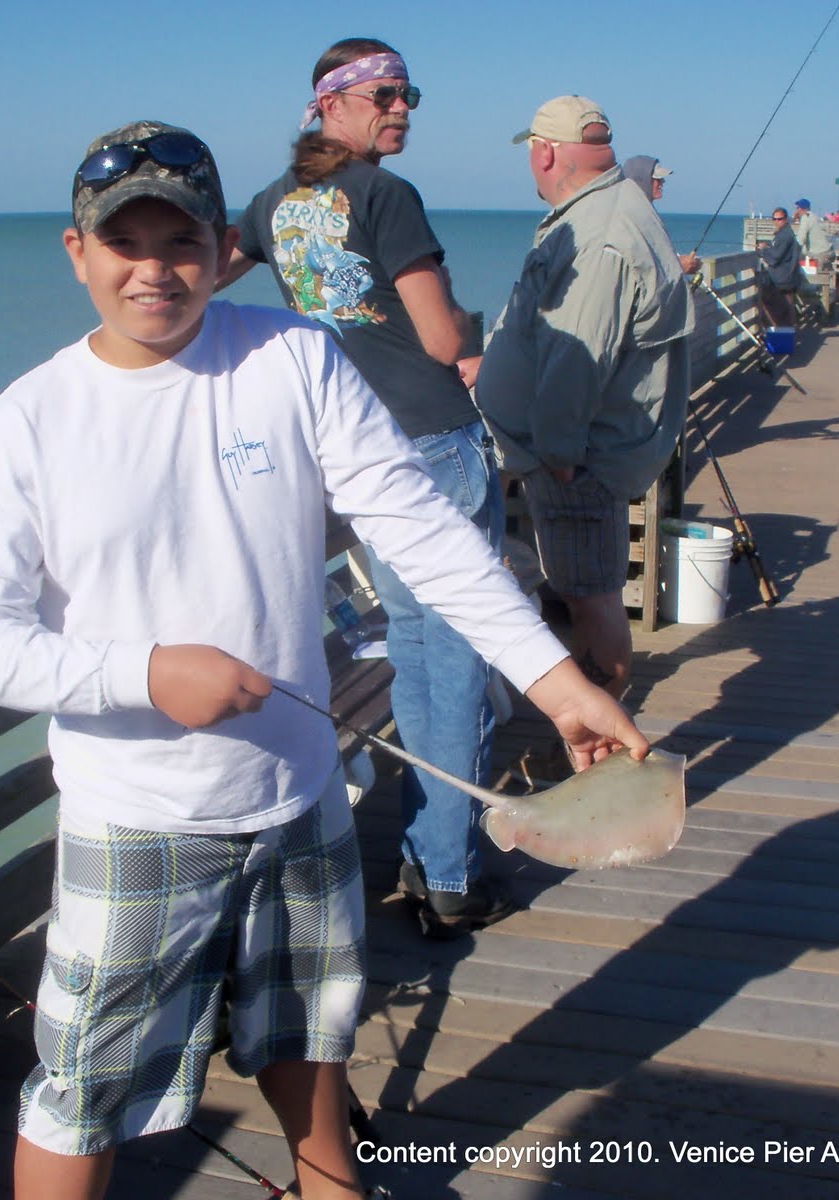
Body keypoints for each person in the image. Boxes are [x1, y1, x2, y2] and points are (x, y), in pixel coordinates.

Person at [0, 119, 649, 1200]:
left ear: (224, 249)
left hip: (298, 793)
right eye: (124, 242)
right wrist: (144, 672)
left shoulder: (293, 357)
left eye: (181, 242)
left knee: (311, 1034)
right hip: (135, 818)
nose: (153, 270)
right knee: (81, 1086)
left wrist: (557, 680)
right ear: (78, 253)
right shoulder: (33, 420)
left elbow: (422, 528)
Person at [225, 38, 509, 937]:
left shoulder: (278, 204)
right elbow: (435, 339)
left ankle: (429, 855)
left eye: (408, 92)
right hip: (436, 440)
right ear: (332, 104)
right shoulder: (387, 196)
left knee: (418, 657)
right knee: (452, 658)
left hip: (359, 457)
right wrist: (468, 326)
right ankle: (449, 873)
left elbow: (199, 277)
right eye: (385, 93)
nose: (403, 107)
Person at [476, 95, 694, 704]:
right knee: (583, 592)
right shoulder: (608, 207)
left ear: (544, 152)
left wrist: (559, 456)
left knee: (591, 598)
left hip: (578, 460)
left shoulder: (601, 236)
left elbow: (577, 360)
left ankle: (599, 748)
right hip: (582, 453)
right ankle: (594, 733)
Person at [623, 154, 702, 274]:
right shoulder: (630, 217)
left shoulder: (646, 213)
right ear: (641, 181)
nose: (662, 182)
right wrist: (678, 266)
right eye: (657, 179)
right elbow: (637, 265)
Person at [755, 206, 801, 328]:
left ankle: (776, 329)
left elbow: (774, 259)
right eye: (774, 219)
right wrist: (769, 247)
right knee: (789, 304)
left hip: (782, 278)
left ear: (786, 219)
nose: (776, 221)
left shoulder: (784, 236)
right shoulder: (787, 233)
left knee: (762, 300)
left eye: (780, 219)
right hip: (789, 275)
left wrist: (763, 250)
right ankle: (790, 330)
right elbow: (780, 252)